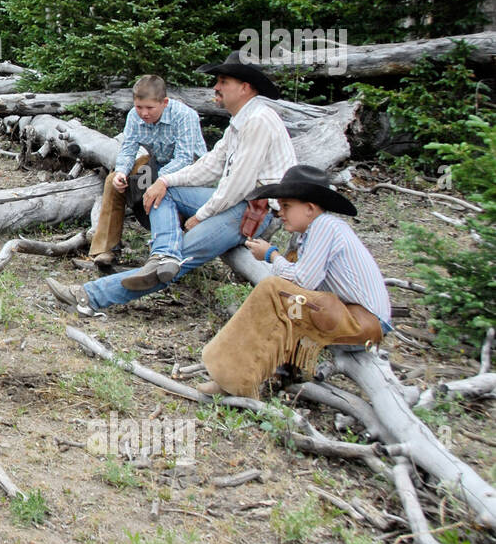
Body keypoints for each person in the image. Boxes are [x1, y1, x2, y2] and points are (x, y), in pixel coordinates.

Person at [49, 53, 297, 314]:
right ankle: (163, 254)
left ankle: (90, 295)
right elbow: (210, 165)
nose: (216, 87)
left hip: (254, 211)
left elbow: (238, 184)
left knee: (180, 258)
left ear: (244, 87)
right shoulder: (241, 121)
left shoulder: (258, 121)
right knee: (164, 192)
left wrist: (202, 216)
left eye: (223, 81)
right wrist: (164, 181)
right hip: (239, 203)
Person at [199, 165, 392, 398]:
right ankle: (270, 375)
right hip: (351, 318)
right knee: (285, 298)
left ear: (310, 208)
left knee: (274, 290)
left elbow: (304, 280)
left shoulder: (325, 227)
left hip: (364, 324)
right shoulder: (310, 233)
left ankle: (234, 381)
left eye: (287, 206)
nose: (281, 212)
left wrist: (271, 255)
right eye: (280, 206)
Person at [89, 74, 207, 268]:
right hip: (158, 164)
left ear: (164, 102)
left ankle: (170, 248)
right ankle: (105, 249)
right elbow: (128, 150)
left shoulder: (185, 116)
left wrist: (158, 181)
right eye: (139, 107)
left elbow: (185, 158)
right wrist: (121, 172)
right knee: (112, 181)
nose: (144, 113)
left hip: (190, 171)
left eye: (150, 108)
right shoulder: (134, 117)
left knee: (161, 189)